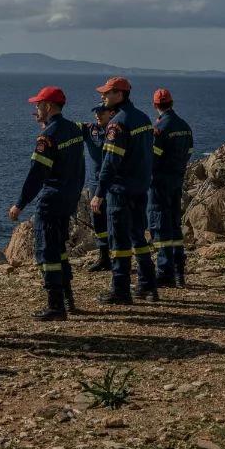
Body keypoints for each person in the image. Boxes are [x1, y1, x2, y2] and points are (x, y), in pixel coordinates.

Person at [9, 86, 86, 320]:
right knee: (60, 249)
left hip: (51, 200)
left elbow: (36, 174)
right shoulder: (73, 129)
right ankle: (67, 299)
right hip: (69, 197)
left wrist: (20, 204)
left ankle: (55, 306)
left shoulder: (48, 137)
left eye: (38, 105)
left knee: (48, 252)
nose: (36, 109)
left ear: (49, 107)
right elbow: (79, 167)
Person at [89, 77, 158, 304]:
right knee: (139, 236)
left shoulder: (118, 123)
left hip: (121, 190)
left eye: (107, 93)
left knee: (119, 241)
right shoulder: (144, 119)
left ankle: (120, 290)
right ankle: (148, 286)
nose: (103, 97)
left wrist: (99, 193)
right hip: (140, 188)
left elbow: (110, 163)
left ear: (120, 95)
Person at [148, 88, 194, 288]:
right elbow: (189, 152)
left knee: (160, 225)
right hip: (177, 179)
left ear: (155, 105)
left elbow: (153, 158)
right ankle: (178, 272)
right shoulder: (184, 126)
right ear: (172, 103)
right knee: (175, 224)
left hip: (160, 182)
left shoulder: (159, 128)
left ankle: (164, 271)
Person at [81, 104, 116, 272]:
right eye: (96, 112)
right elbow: (68, 128)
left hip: (113, 183)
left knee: (115, 219)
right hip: (95, 183)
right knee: (98, 221)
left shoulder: (116, 130)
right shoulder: (90, 130)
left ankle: (119, 258)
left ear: (111, 113)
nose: (97, 115)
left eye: (101, 112)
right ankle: (104, 257)